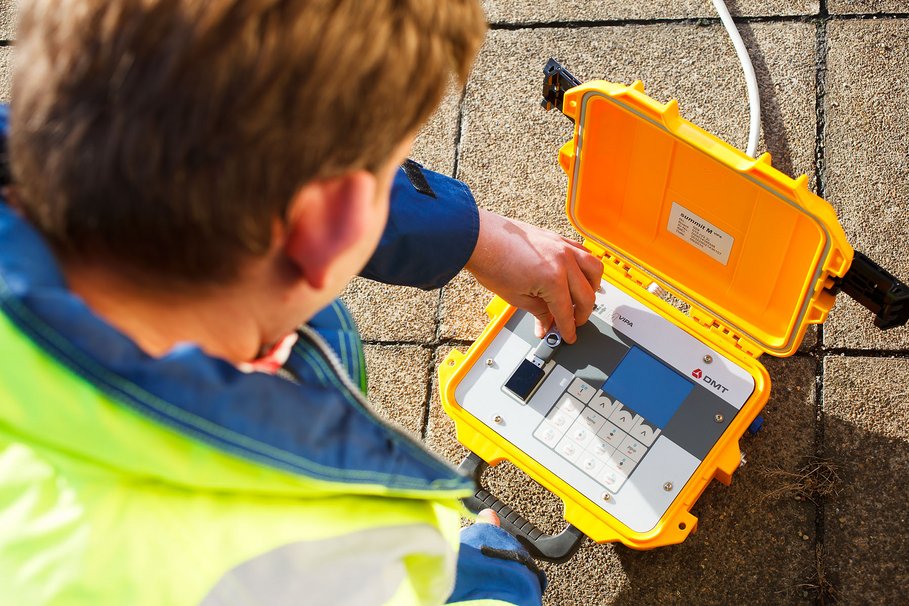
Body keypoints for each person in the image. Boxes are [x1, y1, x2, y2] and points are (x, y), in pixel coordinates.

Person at [0, 1, 603, 604]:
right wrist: (494, 577)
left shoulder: (76, 138)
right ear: (329, 225)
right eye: (391, 170)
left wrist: (476, 236)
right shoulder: (297, 563)